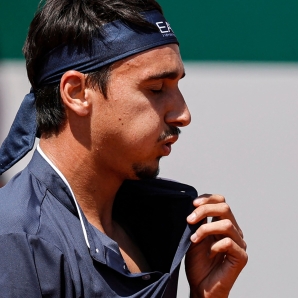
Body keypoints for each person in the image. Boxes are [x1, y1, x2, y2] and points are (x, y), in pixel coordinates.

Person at [0, 0, 247, 297]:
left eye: (177, 86)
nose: (183, 114)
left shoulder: (153, 226)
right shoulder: (16, 238)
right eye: (156, 89)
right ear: (76, 93)